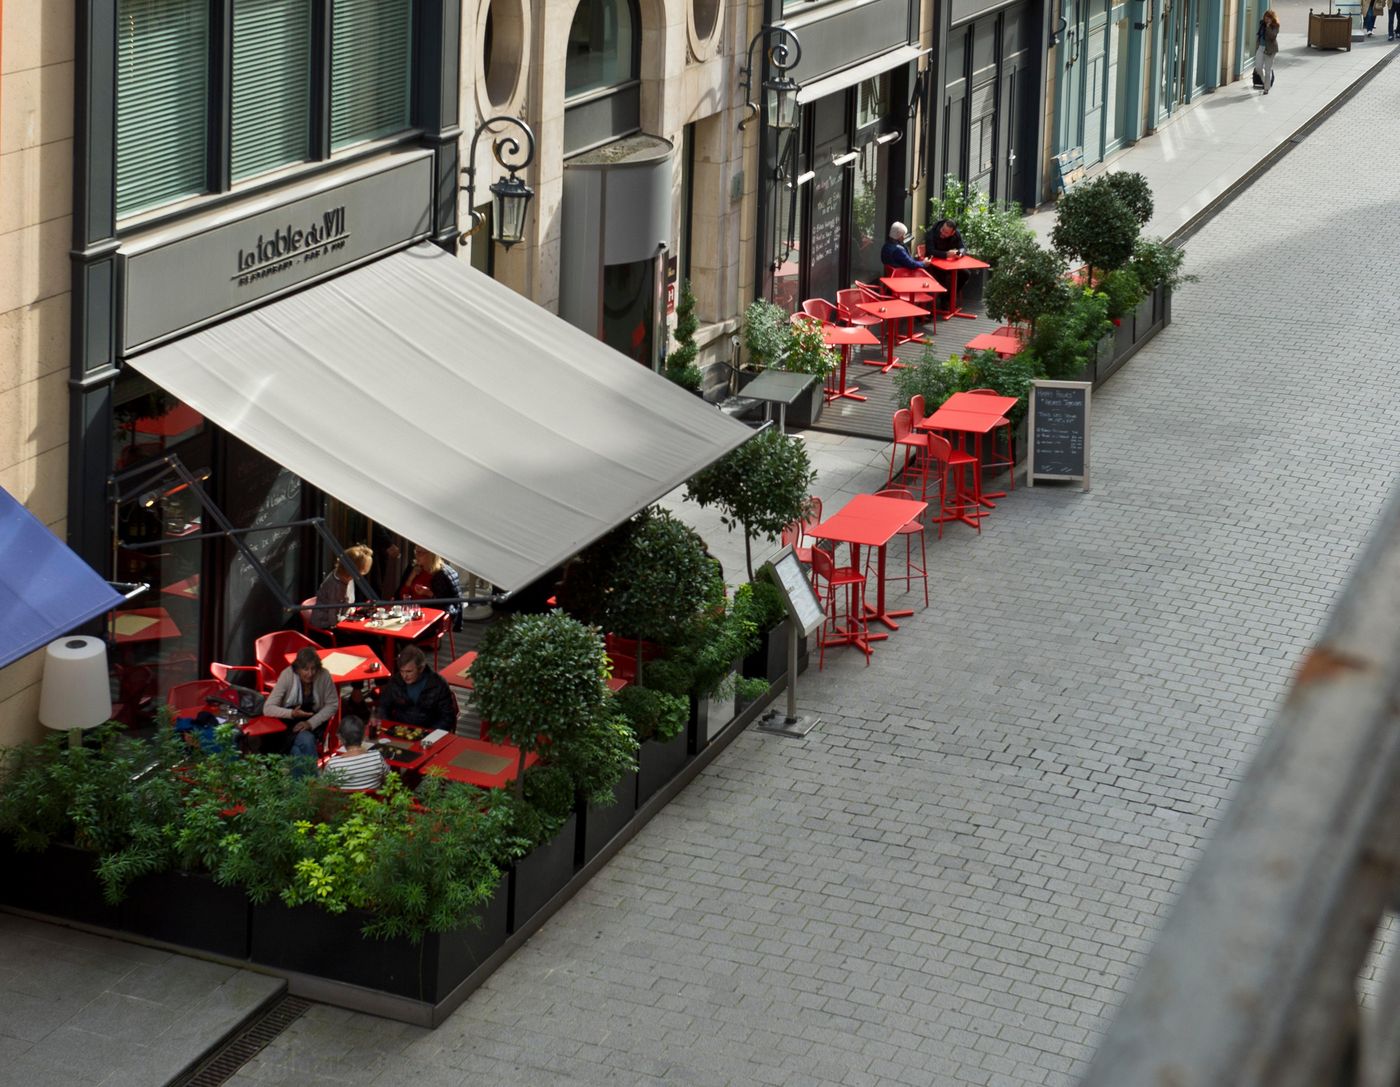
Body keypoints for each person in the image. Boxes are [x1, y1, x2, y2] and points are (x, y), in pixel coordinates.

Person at [265, 646, 338, 759]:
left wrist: (310, 723)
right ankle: (313, 777)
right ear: (297, 669)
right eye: (305, 669)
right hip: (289, 723)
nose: (310, 673)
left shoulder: (324, 675)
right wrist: (292, 713)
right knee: (304, 743)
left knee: (299, 749)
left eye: (313, 669)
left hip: (315, 722)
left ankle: (305, 776)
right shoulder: (287, 675)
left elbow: (332, 704)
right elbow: (268, 708)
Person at [378, 645, 457, 731]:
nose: (404, 676)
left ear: (421, 668)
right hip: (400, 731)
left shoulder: (438, 684)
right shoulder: (395, 681)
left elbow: (447, 717)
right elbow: (383, 707)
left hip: (429, 733)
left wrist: (430, 734)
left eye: (409, 671)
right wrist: (391, 729)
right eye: (401, 671)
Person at [396, 545, 464, 632]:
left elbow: (446, 604)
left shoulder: (441, 574)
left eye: (420, 553)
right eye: (416, 552)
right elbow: (401, 595)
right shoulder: (413, 567)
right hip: (408, 614)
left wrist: (428, 593)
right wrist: (411, 578)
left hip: (429, 620)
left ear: (431, 555)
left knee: (400, 634)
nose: (416, 555)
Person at [311, 544, 373, 631]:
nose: (361, 574)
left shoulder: (347, 576)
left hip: (343, 618)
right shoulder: (335, 586)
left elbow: (347, 604)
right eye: (361, 570)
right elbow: (333, 621)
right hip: (326, 626)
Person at [320, 716, 387, 792]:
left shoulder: (333, 764)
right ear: (363, 736)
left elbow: (325, 787)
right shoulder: (376, 757)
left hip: (345, 803)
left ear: (340, 738)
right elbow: (387, 778)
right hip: (372, 802)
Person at [924, 218, 972, 307]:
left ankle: (948, 298)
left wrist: (960, 253)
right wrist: (946, 254)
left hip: (949, 264)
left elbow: (962, 247)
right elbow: (930, 251)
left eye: (946, 233)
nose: (942, 233)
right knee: (943, 278)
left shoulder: (956, 233)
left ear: (952, 233)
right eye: (942, 230)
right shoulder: (931, 232)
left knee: (966, 274)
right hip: (932, 264)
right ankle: (943, 302)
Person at [1257, 10, 1280, 94]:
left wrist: (1268, 27)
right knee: (1258, 67)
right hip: (1261, 48)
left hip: (1270, 50)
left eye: (1269, 18)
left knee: (1267, 70)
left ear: (1272, 18)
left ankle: (1266, 88)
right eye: (1266, 17)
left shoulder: (1275, 26)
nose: (1266, 19)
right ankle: (1266, 82)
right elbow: (1259, 35)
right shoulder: (1262, 24)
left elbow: (1273, 37)